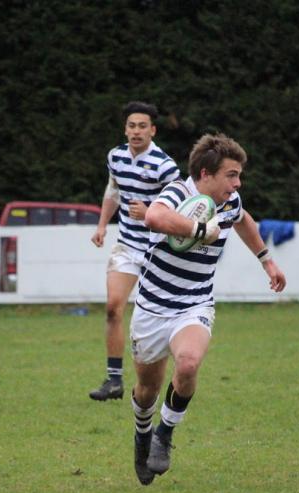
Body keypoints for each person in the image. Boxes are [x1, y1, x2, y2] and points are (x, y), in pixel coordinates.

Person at [128, 133, 287, 485]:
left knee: (188, 364)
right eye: (231, 175)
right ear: (205, 174)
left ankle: (164, 435)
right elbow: (154, 217)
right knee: (145, 392)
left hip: (194, 304)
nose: (237, 183)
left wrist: (267, 261)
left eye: (238, 175)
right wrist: (201, 230)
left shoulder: (230, 201)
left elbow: (243, 221)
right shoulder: (177, 193)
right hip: (153, 308)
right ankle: (142, 434)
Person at [89, 101, 181, 401]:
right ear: (125, 129)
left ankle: (174, 377)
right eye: (132, 126)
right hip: (127, 245)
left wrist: (151, 211)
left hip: (159, 249)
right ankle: (114, 381)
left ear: (153, 130)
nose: (136, 131)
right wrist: (102, 225)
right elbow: (113, 191)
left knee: (162, 315)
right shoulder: (115, 157)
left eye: (143, 126)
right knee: (114, 307)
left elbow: (180, 206)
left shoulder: (166, 166)